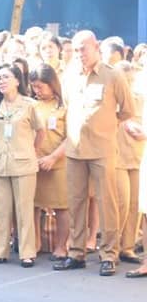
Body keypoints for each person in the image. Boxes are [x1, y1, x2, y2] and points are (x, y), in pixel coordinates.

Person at [54, 30, 135, 276]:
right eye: (76, 50)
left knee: (106, 202)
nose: (80, 54)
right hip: (76, 149)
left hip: (102, 149)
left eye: (84, 48)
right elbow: (67, 107)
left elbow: (127, 110)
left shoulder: (113, 75)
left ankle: (109, 254)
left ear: (96, 47)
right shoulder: (69, 76)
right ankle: (76, 252)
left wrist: (107, 125)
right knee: (75, 202)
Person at [0, 64, 44, 267]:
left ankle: (27, 252)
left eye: (6, 77)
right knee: (1, 209)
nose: (1, 81)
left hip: (24, 163)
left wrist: (31, 151)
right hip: (1, 162)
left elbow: (40, 132)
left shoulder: (29, 105)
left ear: (18, 81)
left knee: (24, 209)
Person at [30, 64, 70, 260]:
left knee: (62, 206)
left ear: (52, 84)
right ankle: (35, 243)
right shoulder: (32, 105)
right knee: (33, 206)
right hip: (34, 163)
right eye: (34, 87)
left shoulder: (64, 107)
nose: (37, 91)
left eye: (40, 87)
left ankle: (62, 246)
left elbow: (71, 137)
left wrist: (53, 157)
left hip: (58, 164)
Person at [114, 62, 146, 265]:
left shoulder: (140, 99)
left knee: (135, 204)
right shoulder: (112, 101)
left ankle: (127, 247)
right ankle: (112, 247)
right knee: (121, 203)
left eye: (131, 79)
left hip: (137, 156)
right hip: (116, 156)